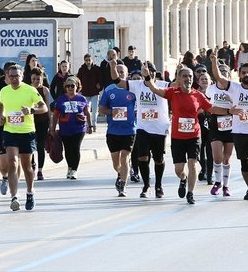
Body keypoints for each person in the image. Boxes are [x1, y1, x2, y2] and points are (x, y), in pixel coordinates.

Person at [142, 63, 211, 205]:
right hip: (178, 137)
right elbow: (154, 88)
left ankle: (190, 193)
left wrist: (230, 111)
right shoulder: (173, 92)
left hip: (194, 135)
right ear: (178, 79)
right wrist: (147, 76)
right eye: (184, 76)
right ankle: (183, 178)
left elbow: (212, 108)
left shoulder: (198, 95)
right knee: (179, 169)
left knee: (192, 164)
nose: (188, 79)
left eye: (190, 76)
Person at [211, 51, 248, 201]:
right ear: (239, 75)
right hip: (238, 131)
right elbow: (218, 77)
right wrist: (214, 62)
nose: (246, 74)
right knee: (244, 163)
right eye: (243, 72)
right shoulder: (234, 87)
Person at [0, 64, 47, 211]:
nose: (14, 79)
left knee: (26, 166)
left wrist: (31, 110)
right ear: (7, 76)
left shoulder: (30, 90)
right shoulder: (4, 91)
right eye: (11, 76)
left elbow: (43, 107)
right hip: (10, 131)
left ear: (22, 76)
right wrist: (2, 116)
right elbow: (1, 105)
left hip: (27, 132)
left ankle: (30, 192)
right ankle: (14, 197)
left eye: (17, 76)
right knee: (12, 162)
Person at [118, 67, 171, 199]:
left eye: (152, 71)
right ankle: (146, 185)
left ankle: (158, 185)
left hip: (159, 128)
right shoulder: (137, 85)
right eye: (146, 71)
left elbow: (176, 85)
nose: (149, 73)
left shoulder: (162, 85)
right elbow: (118, 82)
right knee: (142, 157)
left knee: (158, 159)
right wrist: (113, 67)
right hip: (143, 127)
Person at [99, 64, 138, 197]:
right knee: (116, 163)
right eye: (118, 71)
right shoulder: (109, 89)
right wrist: (113, 112)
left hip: (129, 130)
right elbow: (101, 109)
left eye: (123, 72)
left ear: (127, 74)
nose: (120, 73)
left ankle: (122, 184)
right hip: (113, 131)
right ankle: (120, 173)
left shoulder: (133, 89)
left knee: (125, 157)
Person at [51, 76, 92, 180]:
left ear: (77, 86)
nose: (70, 88)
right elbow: (55, 115)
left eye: (72, 86)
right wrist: (52, 128)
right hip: (65, 129)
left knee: (75, 148)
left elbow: (87, 112)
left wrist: (90, 125)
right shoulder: (60, 99)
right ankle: (69, 167)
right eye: (68, 86)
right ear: (65, 87)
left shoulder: (82, 98)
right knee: (68, 150)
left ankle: (74, 170)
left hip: (79, 128)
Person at [204, 63, 235, 197]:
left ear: (228, 75)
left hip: (230, 122)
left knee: (226, 158)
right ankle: (217, 182)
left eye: (225, 71)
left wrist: (232, 100)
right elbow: (207, 106)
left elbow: (240, 106)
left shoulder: (234, 88)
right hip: (216, 122)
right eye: (220, 71)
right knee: (217, 156)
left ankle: (226, 186)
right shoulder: (210, 89)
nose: (222, 73)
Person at [29, 68, 51, 180]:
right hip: (30, 122)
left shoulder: (45, 90)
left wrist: (51, 122)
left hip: (42, 121)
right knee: (31, 145)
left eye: (38, 79)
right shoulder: (27, 89)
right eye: (33, 79)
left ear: (42, 78)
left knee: (40, 145)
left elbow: (48, 107)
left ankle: (40, 170)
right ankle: (32, 166)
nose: (36, 81)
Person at [76, 53, 101, 131]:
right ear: (84, 61)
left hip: (94, 93)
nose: (88, 62)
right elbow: (78, 80)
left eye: (89, 60)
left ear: (92, 60)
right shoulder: (81, 69)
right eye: (86, 60)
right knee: (86, 110)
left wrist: (99, 86)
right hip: (85, 93)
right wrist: (79, 90)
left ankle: (94, 124)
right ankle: (88, 125)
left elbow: (100, 79)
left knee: (94, 110)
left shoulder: (96, 68)